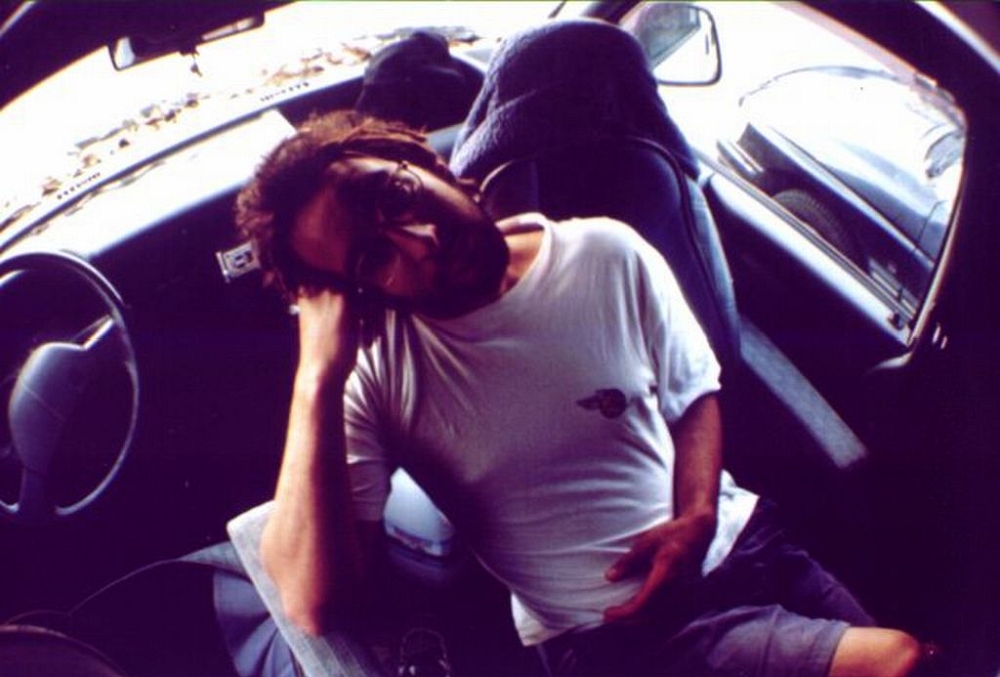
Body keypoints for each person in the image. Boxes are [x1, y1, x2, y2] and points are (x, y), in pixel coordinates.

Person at [232, 107, 927, 677]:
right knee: (897, 662)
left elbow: (692, 391)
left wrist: (696, 516)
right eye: (372, 258)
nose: (419, 241)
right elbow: (312, 601)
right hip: (630, 637)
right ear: (357, 292)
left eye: (393, 196)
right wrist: (316, 376)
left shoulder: (604, 251)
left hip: (749, 543)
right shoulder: (376, 375)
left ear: (421, 161)